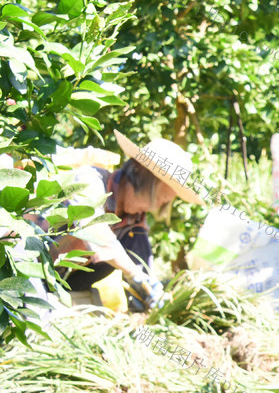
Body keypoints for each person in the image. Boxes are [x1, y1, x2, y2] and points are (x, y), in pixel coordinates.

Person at [47, 130, 205, 310]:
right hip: (32, 267)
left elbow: (140, 260)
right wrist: (133, 274)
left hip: (63, 281)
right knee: (115, 252)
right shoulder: (89, 180)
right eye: (156, 199)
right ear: (140, 175)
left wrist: (148, 289)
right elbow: (94, 231)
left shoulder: (133, 218)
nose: (152, 209)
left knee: (129, 244)